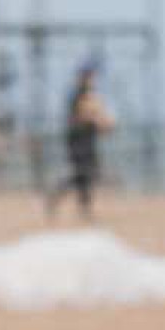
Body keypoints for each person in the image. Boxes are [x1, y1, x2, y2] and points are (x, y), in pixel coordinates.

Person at [46, 64, 115, 221]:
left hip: (87, 140)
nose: (92, 81)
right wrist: (101, 121)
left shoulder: (88, 96)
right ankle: (72, 202)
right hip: (78, 141)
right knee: (82, 174)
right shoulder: (79, 96)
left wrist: (102, 123)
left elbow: (95, 118)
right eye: (89, 78)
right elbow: (85, 116)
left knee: (85, 175)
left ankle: (80, 206)